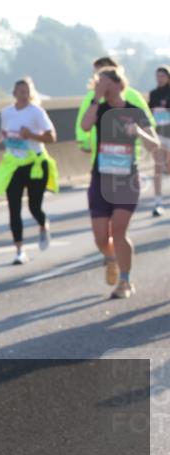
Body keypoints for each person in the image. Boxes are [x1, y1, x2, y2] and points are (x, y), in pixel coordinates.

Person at [80, 66, 160, 299]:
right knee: (100, 237)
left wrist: (138, 132)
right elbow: (85, 126)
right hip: (101, 178)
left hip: (126, 179)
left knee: (118, 229)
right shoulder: (100, 109)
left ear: (119, 84)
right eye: (98, 83)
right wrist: (95, 97)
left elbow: (154, 146)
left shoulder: (135, 111)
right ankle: (112, 257)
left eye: (105, 83)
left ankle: (125, 281)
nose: (101, 87)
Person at [0, 78, 59, 265]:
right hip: (14, 165)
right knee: (14, 208)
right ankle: (19, 250)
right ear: (14, 93)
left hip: (35, 164)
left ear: (31, 93)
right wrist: (0, 137)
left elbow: (52, 137)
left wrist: (31, 135)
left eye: (27, 91)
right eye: (20, 91)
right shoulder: (6, 112)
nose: (23, 94)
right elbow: (6, 133)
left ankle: (43, 225)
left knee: (34, 206)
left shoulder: (36, 112)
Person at [75, 56, 150, 153]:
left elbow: (148, 123)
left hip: (128, 156)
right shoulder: (93, 99)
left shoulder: (134, 97)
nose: (103, 87)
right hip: (100, 155)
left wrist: (139, 133)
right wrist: (83, 142)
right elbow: (84, 125)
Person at [148, 65, 170, 216]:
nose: (159, 78)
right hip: (159, 135)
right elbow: (149, 113)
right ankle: (158, 201)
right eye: (158, 76)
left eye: (162, 76)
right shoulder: (153, 94)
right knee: (158, 166)